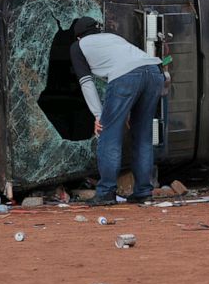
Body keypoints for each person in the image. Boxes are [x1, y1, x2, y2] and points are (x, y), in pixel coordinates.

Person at [70, 16, 164, 205]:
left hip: (126, 76)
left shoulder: (78, 47)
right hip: (154, 72)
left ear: (79, 36)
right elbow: (135, 68)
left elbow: (86, 83)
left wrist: (98, 115)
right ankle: (144, 191)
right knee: (143, 136)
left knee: (108, 135)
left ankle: (106, 192)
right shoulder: (112, 38)